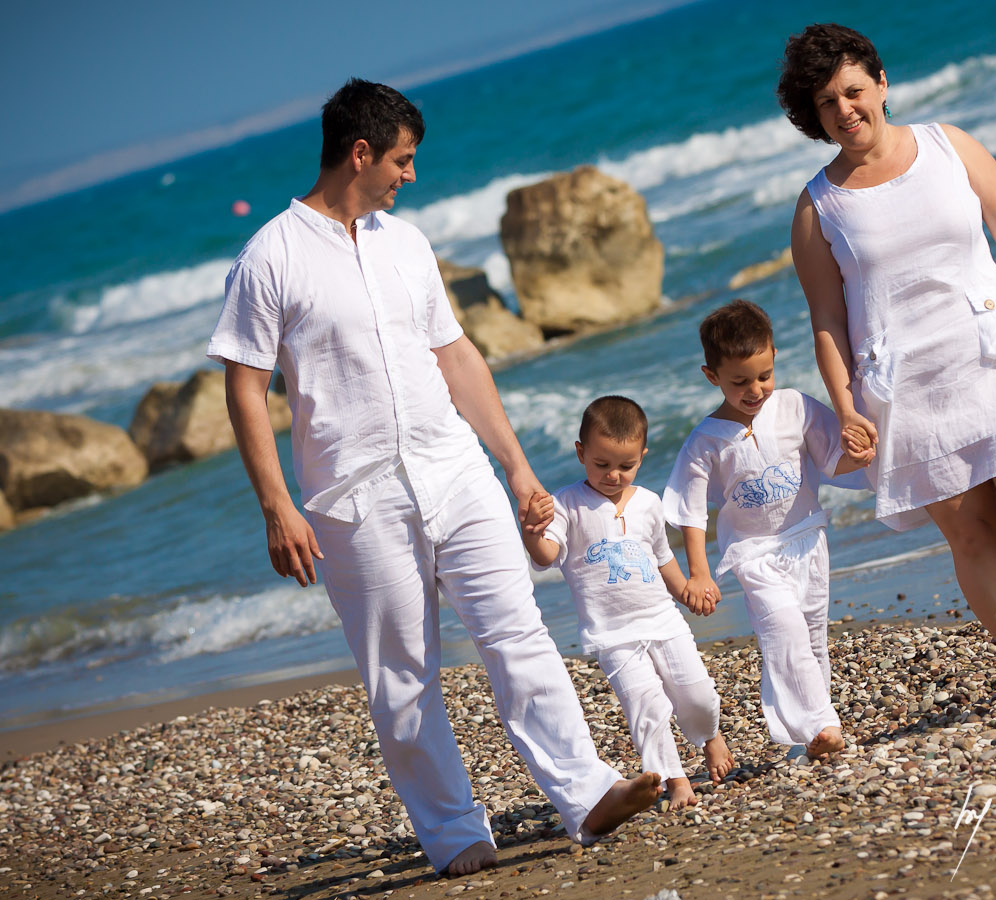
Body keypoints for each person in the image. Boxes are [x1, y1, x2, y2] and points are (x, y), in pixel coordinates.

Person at [206, 78, 659, 879]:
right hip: (354, 498)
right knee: (403, 679)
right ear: (360, 153)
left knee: (516, 630)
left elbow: (456, 356)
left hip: (454, 468)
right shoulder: (270, 254)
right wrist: (278, 508)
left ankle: (586, 794)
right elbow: (246, 387)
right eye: (402, 160)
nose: (409, 176)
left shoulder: (405, 243)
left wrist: (516, 469)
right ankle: (454, 836)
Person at [779, 25, 996, 709]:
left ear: (881, 83)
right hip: (904, 387)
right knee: (971, 531)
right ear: (813, 115)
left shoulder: (949, 146)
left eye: (853, 91)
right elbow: (828, 322)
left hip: (993, 352)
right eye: (827, 102)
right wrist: (846, 407)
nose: (844, 109)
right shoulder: (818, 207)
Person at [663, 300, 872, 760]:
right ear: (711, 376)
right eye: (739, 382)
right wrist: (699, 573)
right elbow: (691, 512)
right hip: (753, 553)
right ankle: (823, 724)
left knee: (811, 636)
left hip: (807, 538)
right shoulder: (705, 442)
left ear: (775, 356)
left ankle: (805, 734)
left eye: (763, 376)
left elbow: (829, 459)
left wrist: (856, 457)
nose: (755, 390)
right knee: (783, 632)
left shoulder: (795, 406)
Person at [520, 396, 736, 809]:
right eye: (601, 464)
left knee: (698, 695)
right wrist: (532, 530)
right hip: (612, 634)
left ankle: (710, 735)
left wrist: (687, 590)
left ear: (642, 457)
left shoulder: (649, 504)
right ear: (581, 452)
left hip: (663, 620)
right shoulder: (567, 504)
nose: (613, 475)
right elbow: (546, 557)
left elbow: (660, 558)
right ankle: (676, 780)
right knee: (647, 706)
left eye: (626, 466)